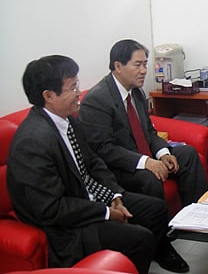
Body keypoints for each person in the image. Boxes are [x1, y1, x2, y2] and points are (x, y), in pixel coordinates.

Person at [7, 55, 177, 274]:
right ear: (49, 96)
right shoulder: (33, 143)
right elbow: (52, 209)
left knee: (155, 210)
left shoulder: (67, 120)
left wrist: (114, 196)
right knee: (140, 239)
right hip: (68, 225)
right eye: (73, 87)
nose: (79, 92)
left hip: (90, 198)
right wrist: (105, 212)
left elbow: (93, 162)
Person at [78, 39, 208, 272]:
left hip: (143, 154)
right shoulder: (97, 100)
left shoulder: (135, 92)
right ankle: (161, 246)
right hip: (119, 167)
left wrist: (163, 152)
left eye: (145, 64)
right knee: (149, 178)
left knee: (186, 154)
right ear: (118, 66)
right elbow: (103, 149)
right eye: (138, 65)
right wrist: (145, 162)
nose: (144, 71)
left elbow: (148, 131)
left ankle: (198, 221)